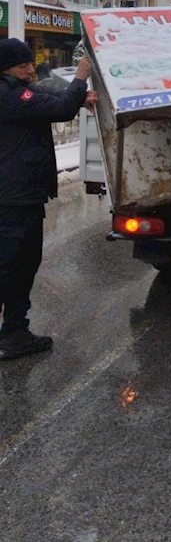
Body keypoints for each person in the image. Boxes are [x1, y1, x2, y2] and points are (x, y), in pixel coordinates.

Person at [0, 39, 97, 360]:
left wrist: (79, 97)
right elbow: (59, 108)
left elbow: (49, 95)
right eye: (22, 66)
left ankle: (15, 332)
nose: (30, 70)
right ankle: (13, 332)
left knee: (22, 264)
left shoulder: (16, 90)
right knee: (13, 266)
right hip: (13, 200)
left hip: (20, 196)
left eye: (30, 63)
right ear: (6, 69)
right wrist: (81, 77)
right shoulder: (8, 95)